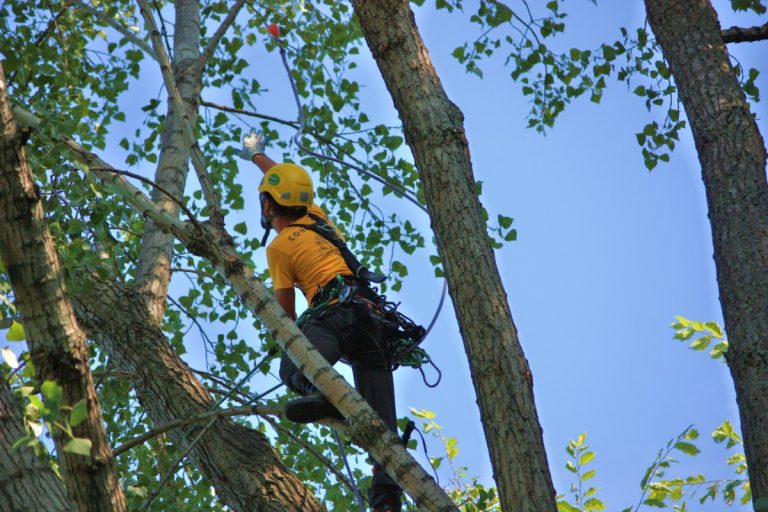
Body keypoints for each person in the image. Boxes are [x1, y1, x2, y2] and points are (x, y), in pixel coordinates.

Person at [236, 130, 403, 512]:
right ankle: (387, 500)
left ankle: (322, 397)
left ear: (267, 207)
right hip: (373, 322)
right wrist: (258, 156)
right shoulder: (316, 217)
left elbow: (286, 316)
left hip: (333, 317)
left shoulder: (279, 248)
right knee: (383, 427)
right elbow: (285, 182)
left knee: (292, 365)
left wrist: (274, 331)